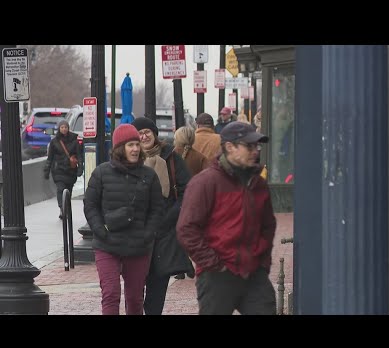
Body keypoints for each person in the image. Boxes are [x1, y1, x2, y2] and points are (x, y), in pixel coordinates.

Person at [176, 121, 277, 315]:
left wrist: (263, 262)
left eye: (257, 146)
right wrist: (214, 264)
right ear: (230, 147)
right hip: (217, 275)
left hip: (253, 272)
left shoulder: (258, 184)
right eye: (249, 146)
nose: (255, 150)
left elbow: (268, 225)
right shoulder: (205, 182)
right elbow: (186, 229)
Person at [83, 124, 166, 315]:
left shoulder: (149, 176)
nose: (136, 149)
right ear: (120, 148)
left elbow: (157, 209)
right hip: (107, 245)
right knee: (111, 294)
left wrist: (147, 235)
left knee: (135, 299)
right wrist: (100, 230)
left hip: (138, 246)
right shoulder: (101, 173)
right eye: (130, 145)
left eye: (137, 144)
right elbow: (90, 205)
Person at [131, 116, 192, 315]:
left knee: (157, 290)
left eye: (147, 131)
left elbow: (187, 192)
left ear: (155, 134)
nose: (144, 135)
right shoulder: (129, 161)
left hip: (164, 234)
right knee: (135, 291)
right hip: (137, 235)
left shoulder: (172, 158)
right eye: (139, 133)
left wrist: (170, 217)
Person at [44, 120, 83, 219]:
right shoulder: (54, 142)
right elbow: (50, 157)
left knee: (68, 191)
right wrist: (47, 171)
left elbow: (79, 156)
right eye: (62, 127)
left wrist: (80, 169)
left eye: (65, 127)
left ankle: (66, 207)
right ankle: (62, 208)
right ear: (59, 128)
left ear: (68, 128)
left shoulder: (74, 140)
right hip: (58, 170)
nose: (64, 129)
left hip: (71, 170)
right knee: (60, 189)